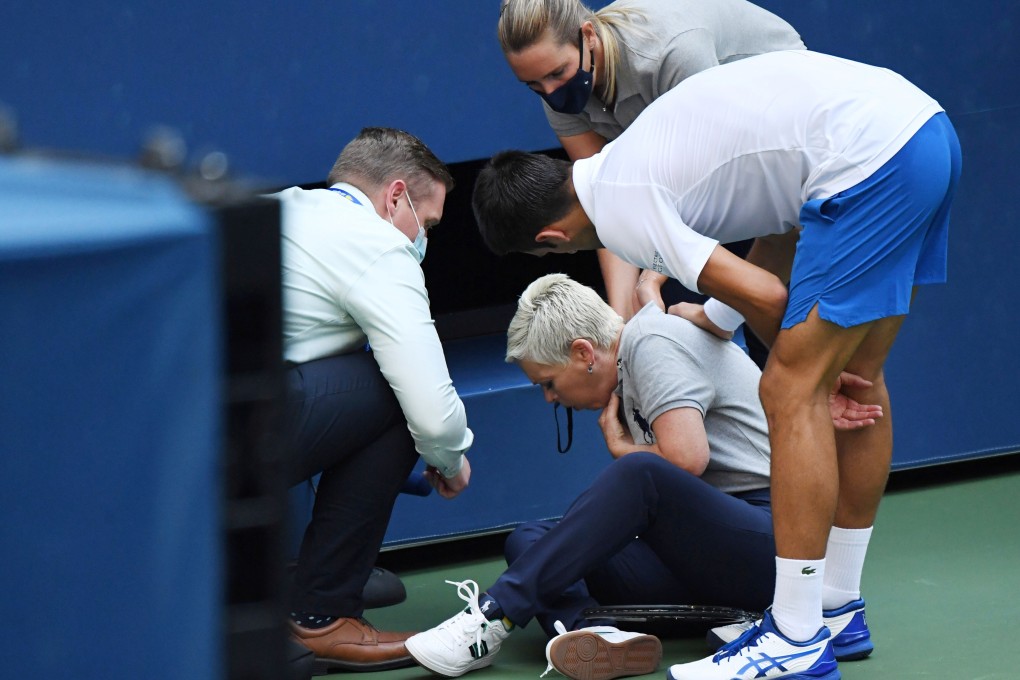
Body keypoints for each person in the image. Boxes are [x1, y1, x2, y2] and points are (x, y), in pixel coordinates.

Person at [471, 50, 962, 679]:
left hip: (871, 160)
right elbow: (780, 229)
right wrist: (718, 316)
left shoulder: (620, 212)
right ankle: (836, 608)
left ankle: (796, 637)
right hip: (921, 131)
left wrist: (809, 377)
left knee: (789, 388)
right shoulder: (625, 162)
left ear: (550, 241)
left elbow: (769, 295)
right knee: (862, 377)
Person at [403, 274, 881, 680]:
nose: (549, 398)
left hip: (777, 542)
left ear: (584, 352)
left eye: (548, 382)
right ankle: (595, 635)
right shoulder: (632, 356)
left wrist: (623, 450)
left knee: (640, 472)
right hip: (707, 558)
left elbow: (686, 459)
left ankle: (492, 617)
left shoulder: (649, 342)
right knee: (530, 538)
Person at [272, 127, 475, 672]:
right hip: (219, 445)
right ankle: (322, 615)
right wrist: (449, 460)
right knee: (396, 391)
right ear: (395, 196)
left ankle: (303, 578)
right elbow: (431, 411)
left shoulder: (285, 206)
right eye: (428, 223)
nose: (424, 239)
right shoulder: (378, 243)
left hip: (163, 430)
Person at [497, 0, 805, 320]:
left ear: (587, 36)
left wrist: (651, 276)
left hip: (787, 124)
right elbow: (603, 204)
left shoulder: (672, 53)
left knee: (769, 300)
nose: (550, 92)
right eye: (534, 85)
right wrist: (619, 318)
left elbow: (706, 184)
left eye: (558, 73)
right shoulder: (559, 93)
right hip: (718, 171)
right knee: (672, 305)